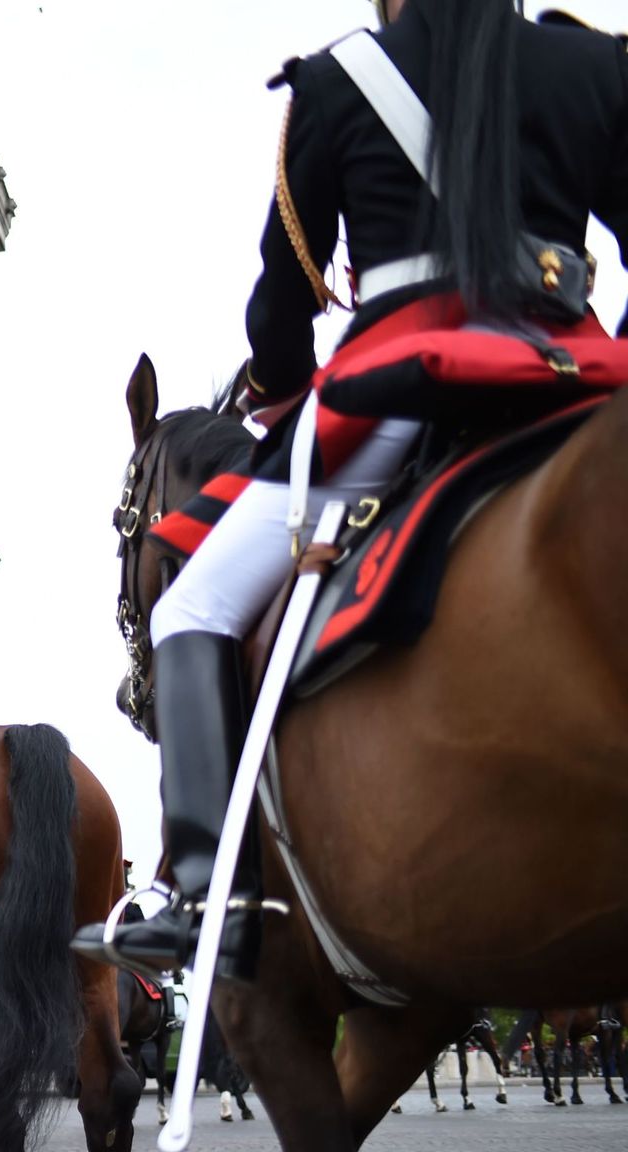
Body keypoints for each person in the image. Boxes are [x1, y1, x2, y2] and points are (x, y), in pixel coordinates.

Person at [80, 0, 628, 978]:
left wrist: (280, 389)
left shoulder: (339, 82)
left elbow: (282, 302)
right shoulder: (591, 67)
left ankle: (212, 893)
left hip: (401, 389)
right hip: (571, 375)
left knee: (192, 608)